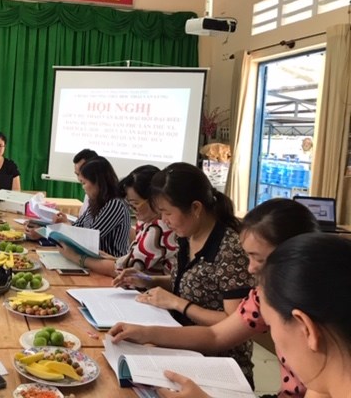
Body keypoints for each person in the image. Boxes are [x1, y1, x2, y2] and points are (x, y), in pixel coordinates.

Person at [110, 198, 319, 397]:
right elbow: (215, 335)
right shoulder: (263, 296)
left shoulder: (321, 320)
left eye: (259, 259)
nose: (251, 268)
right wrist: (146, 333)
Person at [151, 233, 349, 398]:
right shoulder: (325, 378)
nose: (250, 268)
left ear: (306, 330)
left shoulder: (320, 376)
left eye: (270, 325)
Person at [113, 162, 255, 384]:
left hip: (217, 364)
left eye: (168, 213)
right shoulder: (187, 236)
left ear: (196, 208)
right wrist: (148, 280)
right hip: (179, 344)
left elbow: (235, 321)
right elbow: (187, 283)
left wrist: (178, 304)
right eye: (161, 213)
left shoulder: (230, 249)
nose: (164, 220)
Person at [53, 157, 131, 259]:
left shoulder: (115, 204)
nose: (83, 187)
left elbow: (89, 239)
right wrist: (65, 222)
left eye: (84, 183)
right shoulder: (96, 202)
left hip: (108, 263)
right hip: (90, 260)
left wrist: (66, 227)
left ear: (98, 183)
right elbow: (79, 227)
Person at [73, 148, 98, 217]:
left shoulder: (109, 201)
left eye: (82, 174)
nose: (79, 179)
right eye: (77, 174)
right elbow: (82, 217)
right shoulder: (88, 190)